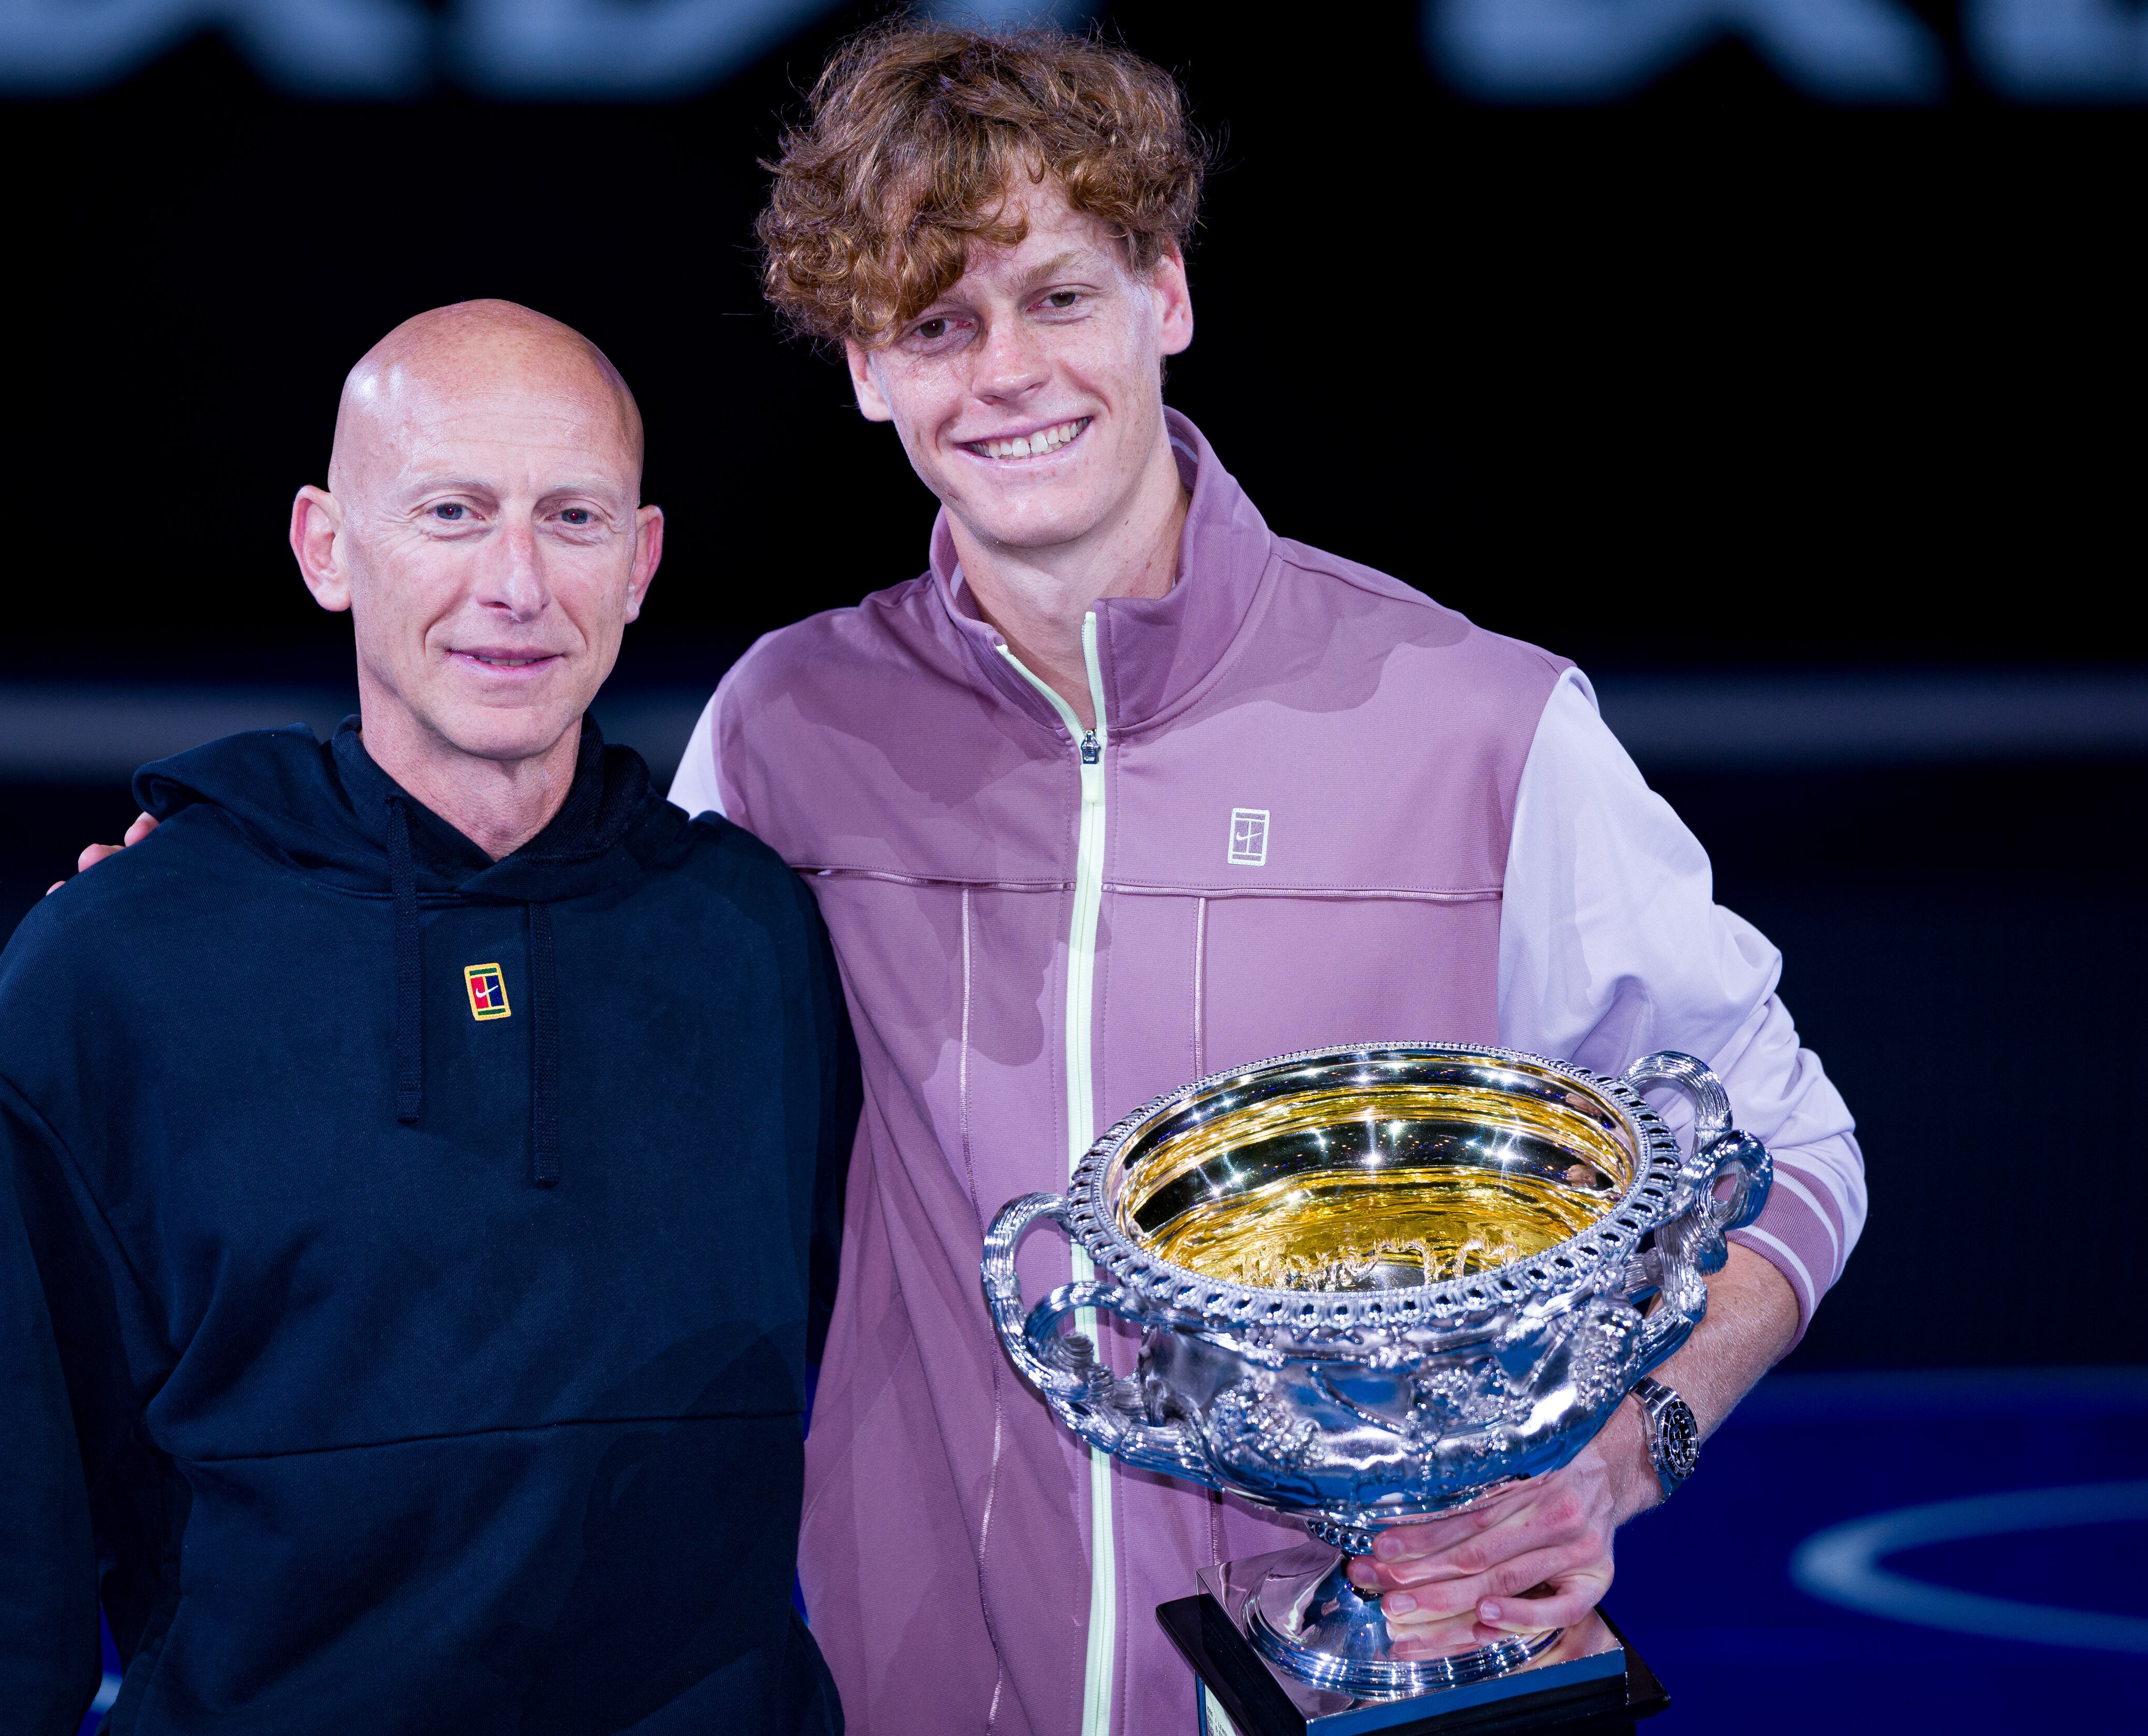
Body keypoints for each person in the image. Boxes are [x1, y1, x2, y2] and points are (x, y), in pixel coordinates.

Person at [663, 22, 1865, 1736]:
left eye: (1060, 297)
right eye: (937, 324)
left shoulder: (1474, 722)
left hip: (1385, 1693)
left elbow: (1789, 1140)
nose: (1008, 374)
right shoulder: (787, 735)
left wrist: (1624, 1447)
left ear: (1166, 292)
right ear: (867, 369)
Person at [0, 302, 854, 1734]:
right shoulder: (117, 965)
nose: (517, 583)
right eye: (453, 512)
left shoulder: (757, 937)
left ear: (639, 563)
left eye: (572, 518)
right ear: (327, 547)